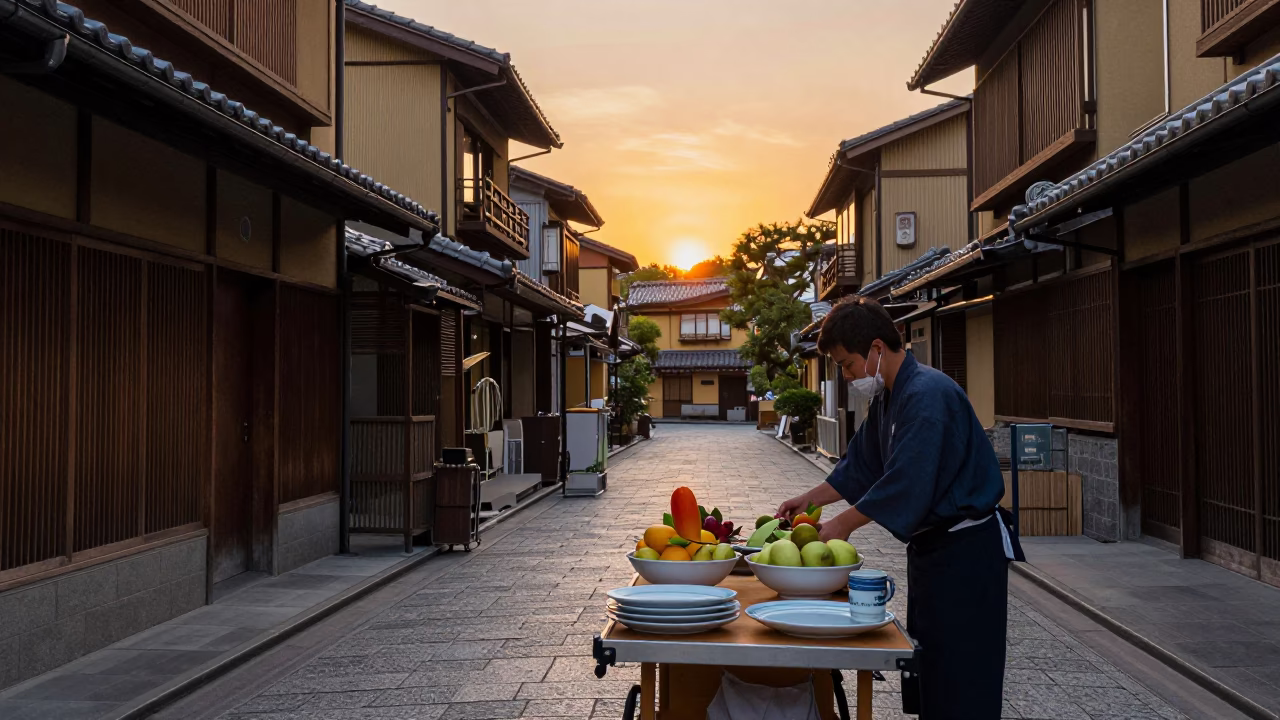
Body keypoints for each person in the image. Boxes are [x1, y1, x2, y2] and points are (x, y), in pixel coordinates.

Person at [777, 296, 1022, 719]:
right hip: (934, 555)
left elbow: (907, 481)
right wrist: (810, 500)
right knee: (932, 667)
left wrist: (843, 525)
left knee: (963, 675)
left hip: (967, 554)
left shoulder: (927, 394)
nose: (848, 374)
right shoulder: (891, 397)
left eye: (847, 364)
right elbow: (862, 465)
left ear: (876, 348)